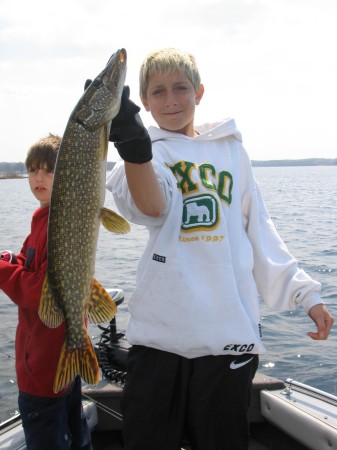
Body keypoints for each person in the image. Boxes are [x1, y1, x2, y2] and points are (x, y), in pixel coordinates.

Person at [106, 48, 334, 450]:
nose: (171, 100)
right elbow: (151, 207)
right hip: (160, 336)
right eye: (158, 92)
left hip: (226, 335)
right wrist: (134, 149)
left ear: (200, 92)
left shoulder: (231, 151)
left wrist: (305, 294)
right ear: (144, 102)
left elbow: (259, 231)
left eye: (181, 88)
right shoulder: (147, 151)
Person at [0, 134, 92, 450]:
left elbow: (41, 293)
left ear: (65, 175)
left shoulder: (57, 222)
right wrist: (12, 260)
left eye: (49, 170)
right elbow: (34, 264)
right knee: (77, 438)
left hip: (42, 370)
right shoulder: (44, 219)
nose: (39, 177)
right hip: (62, 362)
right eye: (32, 169)